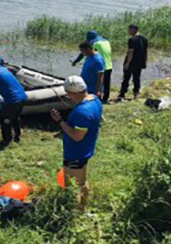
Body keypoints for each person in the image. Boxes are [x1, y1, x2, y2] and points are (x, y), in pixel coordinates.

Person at [50, 76, 102, 208]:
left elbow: (77, 136)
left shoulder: (82, 112)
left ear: (73, 93)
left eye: (68, 93)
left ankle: (77, 209)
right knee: (82, 180)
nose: (68, 96)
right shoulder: (95, 100)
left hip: (76, 152)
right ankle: (81, 205)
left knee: (74, 183)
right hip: (85, 149)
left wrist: (60, 121)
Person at [72, 31, 113, 103]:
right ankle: (105, 98)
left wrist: (98, 90)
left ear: (88, 49)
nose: (83, 53)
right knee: (107, 84)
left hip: (93, 85)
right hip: (108, 65)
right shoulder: (105, 42)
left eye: (83, 51)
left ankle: (102, 99)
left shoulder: (97, 57)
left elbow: (100, 77)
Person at [119, 24, 148, 100]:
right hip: (140, 62)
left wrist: (127, 63)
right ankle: (136, 94)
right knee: (136, 78)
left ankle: (122, 94)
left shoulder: (132, 40)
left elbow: (131, 52)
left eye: (129, 29)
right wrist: (144, 62)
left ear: (133, 30)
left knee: (126, 78)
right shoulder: (144, 39)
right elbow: (145, 52)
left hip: (132, 62)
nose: (128, 31)